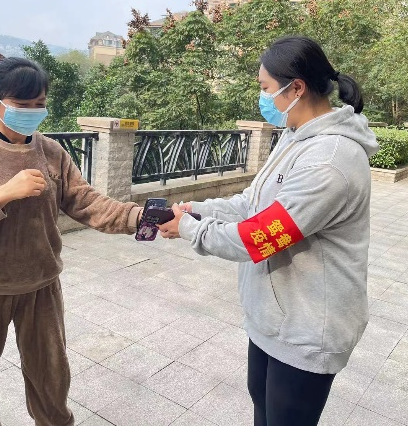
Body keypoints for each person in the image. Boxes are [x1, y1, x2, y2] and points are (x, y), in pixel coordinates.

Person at [158, 36, 379, 426]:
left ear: (296, 88)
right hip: (274, 318)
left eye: (265, 88)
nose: (263, 98)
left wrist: (191, 230)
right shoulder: (294, 136)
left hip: (307, 327)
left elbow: (259, 236)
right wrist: (199, 209)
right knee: (262, 407)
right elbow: (253, 203)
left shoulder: (330, 161)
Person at [0, 52, 142, 426]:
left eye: (39, 104)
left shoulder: (51, 151)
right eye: (22, 105)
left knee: (51, 378)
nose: (32, 112)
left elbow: (87, 202)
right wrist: (1, 195)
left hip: (40, 284)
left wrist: (139, 217)